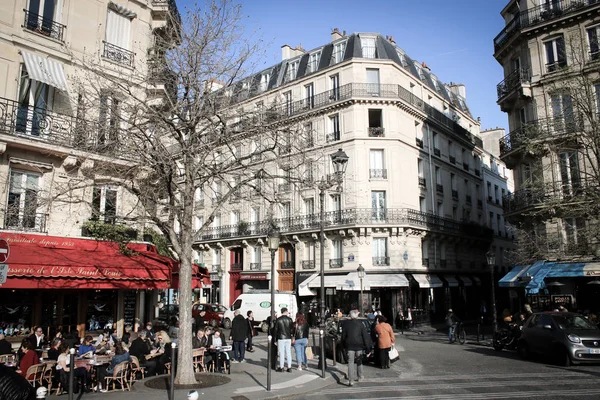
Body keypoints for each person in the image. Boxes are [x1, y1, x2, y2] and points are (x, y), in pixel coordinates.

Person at [341, 310, 371, 386]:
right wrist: (368, 348)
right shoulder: (360, 324)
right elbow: (365, 336)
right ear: (356, 316)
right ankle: (360, 376)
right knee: (359, 361)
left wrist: (343, 345)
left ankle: (351, 380)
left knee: (350, 362)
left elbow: (343, 336)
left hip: (350, 345)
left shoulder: (346, 324)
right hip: (359, 345)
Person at [273, 307, 294, 373]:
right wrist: (292, 336)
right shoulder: (290, 319)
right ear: (286, 311)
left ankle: (281, 367)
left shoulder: (278, 320)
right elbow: (292, 329)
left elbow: (275, 330)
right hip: (288, 338)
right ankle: (289, 367)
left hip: (281, 338)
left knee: (281, 353)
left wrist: (275, 340)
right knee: (288, 353)